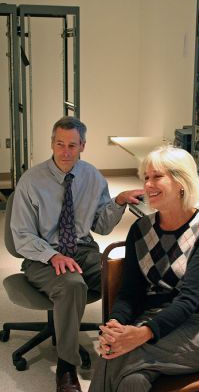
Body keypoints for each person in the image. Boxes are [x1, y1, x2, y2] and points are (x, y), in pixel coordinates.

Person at [10, 116, 144, 392]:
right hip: (42, 256)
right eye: (60, 144)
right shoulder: (31, 181)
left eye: (72, 145)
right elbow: (21, 236)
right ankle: (66, 367)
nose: (65, 151)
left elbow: (102, 227)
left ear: (82, 145)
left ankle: (119, 349)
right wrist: (53, 256)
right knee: (72, 285)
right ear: (52, 143)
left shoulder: (92, 176)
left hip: (82, 250)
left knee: (124, 274)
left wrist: (118, 202)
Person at [89, 146, 199, 392]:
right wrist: (115, 325)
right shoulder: (140, 229)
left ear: (181, 182)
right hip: (153, 319)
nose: (148, 184)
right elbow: (130, 292)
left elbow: (189, 300)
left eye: (157, 176)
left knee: (118, 356)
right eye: (146, 177)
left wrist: (141, 334)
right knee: (129, 376)